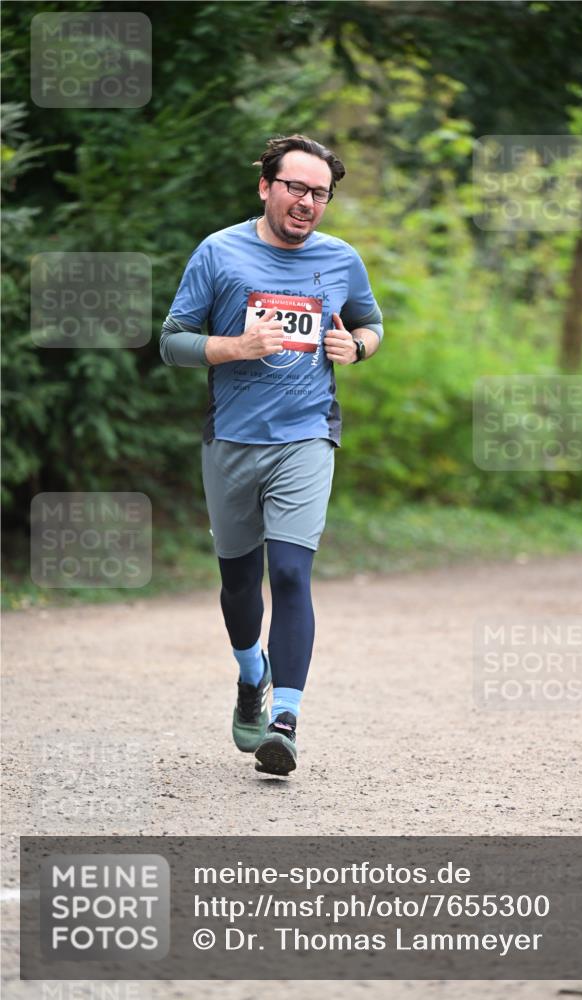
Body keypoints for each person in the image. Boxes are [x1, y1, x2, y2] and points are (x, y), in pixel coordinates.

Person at [160, 134, 383, 776]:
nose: (307, 202)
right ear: (266, 186)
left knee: (288, 572)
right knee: (238, 582)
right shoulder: (219, 252)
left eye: (320, 193)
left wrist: (359, 348)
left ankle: (284, 721)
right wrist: (234, 347)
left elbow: (370, 323)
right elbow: (172, 341)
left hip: (306, 436)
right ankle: (250, 672)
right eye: (296, 187)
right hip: (230, 438)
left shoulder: (341, 260)